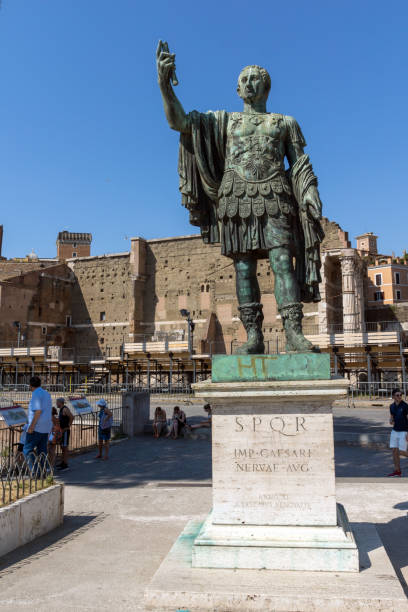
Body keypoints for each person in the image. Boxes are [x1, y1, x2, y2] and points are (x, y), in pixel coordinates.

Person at [156, 44, 324, 354]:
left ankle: (293, 334)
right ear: (237, 89)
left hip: (275, 196)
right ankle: (254, 337)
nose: (248, 82)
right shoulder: (223, 121)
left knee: (282, 263)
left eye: (255, 78)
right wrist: (165, 85)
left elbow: (300, 165)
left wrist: (310, 192)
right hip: (236, 198)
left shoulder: (284, 123)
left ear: (266, 87)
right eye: (243, 79)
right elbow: (179, 122)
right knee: (244, 269)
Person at [23, 376, 52, 468]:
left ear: (30, 386)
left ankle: (35, 472)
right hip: (46, 427)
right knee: (42, 451)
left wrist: (31, 426)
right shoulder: (46, 393)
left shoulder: (36, 394)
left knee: (27, 449)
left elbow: (38, 411)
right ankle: (45, 471)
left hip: (37, 427)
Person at [388, 388, 408, 477]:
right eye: (397, 395)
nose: (399, 397)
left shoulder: (405, 406)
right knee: (394, 451)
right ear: (393, 396)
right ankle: (397, 471)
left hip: (404, 431)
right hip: (395, 431)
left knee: (402, 451)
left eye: (400, 395)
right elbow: (392, 416)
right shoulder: (391, 406)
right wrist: (391, 420)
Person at [56, 397, 74, 471]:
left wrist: (68, 426)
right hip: (62, 431)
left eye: (57, 402)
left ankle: (65, 464)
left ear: (60, 402)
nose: (56, 403)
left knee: (65, 448)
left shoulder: (65, 409)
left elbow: (72, 417)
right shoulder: (61, 409)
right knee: (62, 447)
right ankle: (62, 462)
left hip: (65, 431)